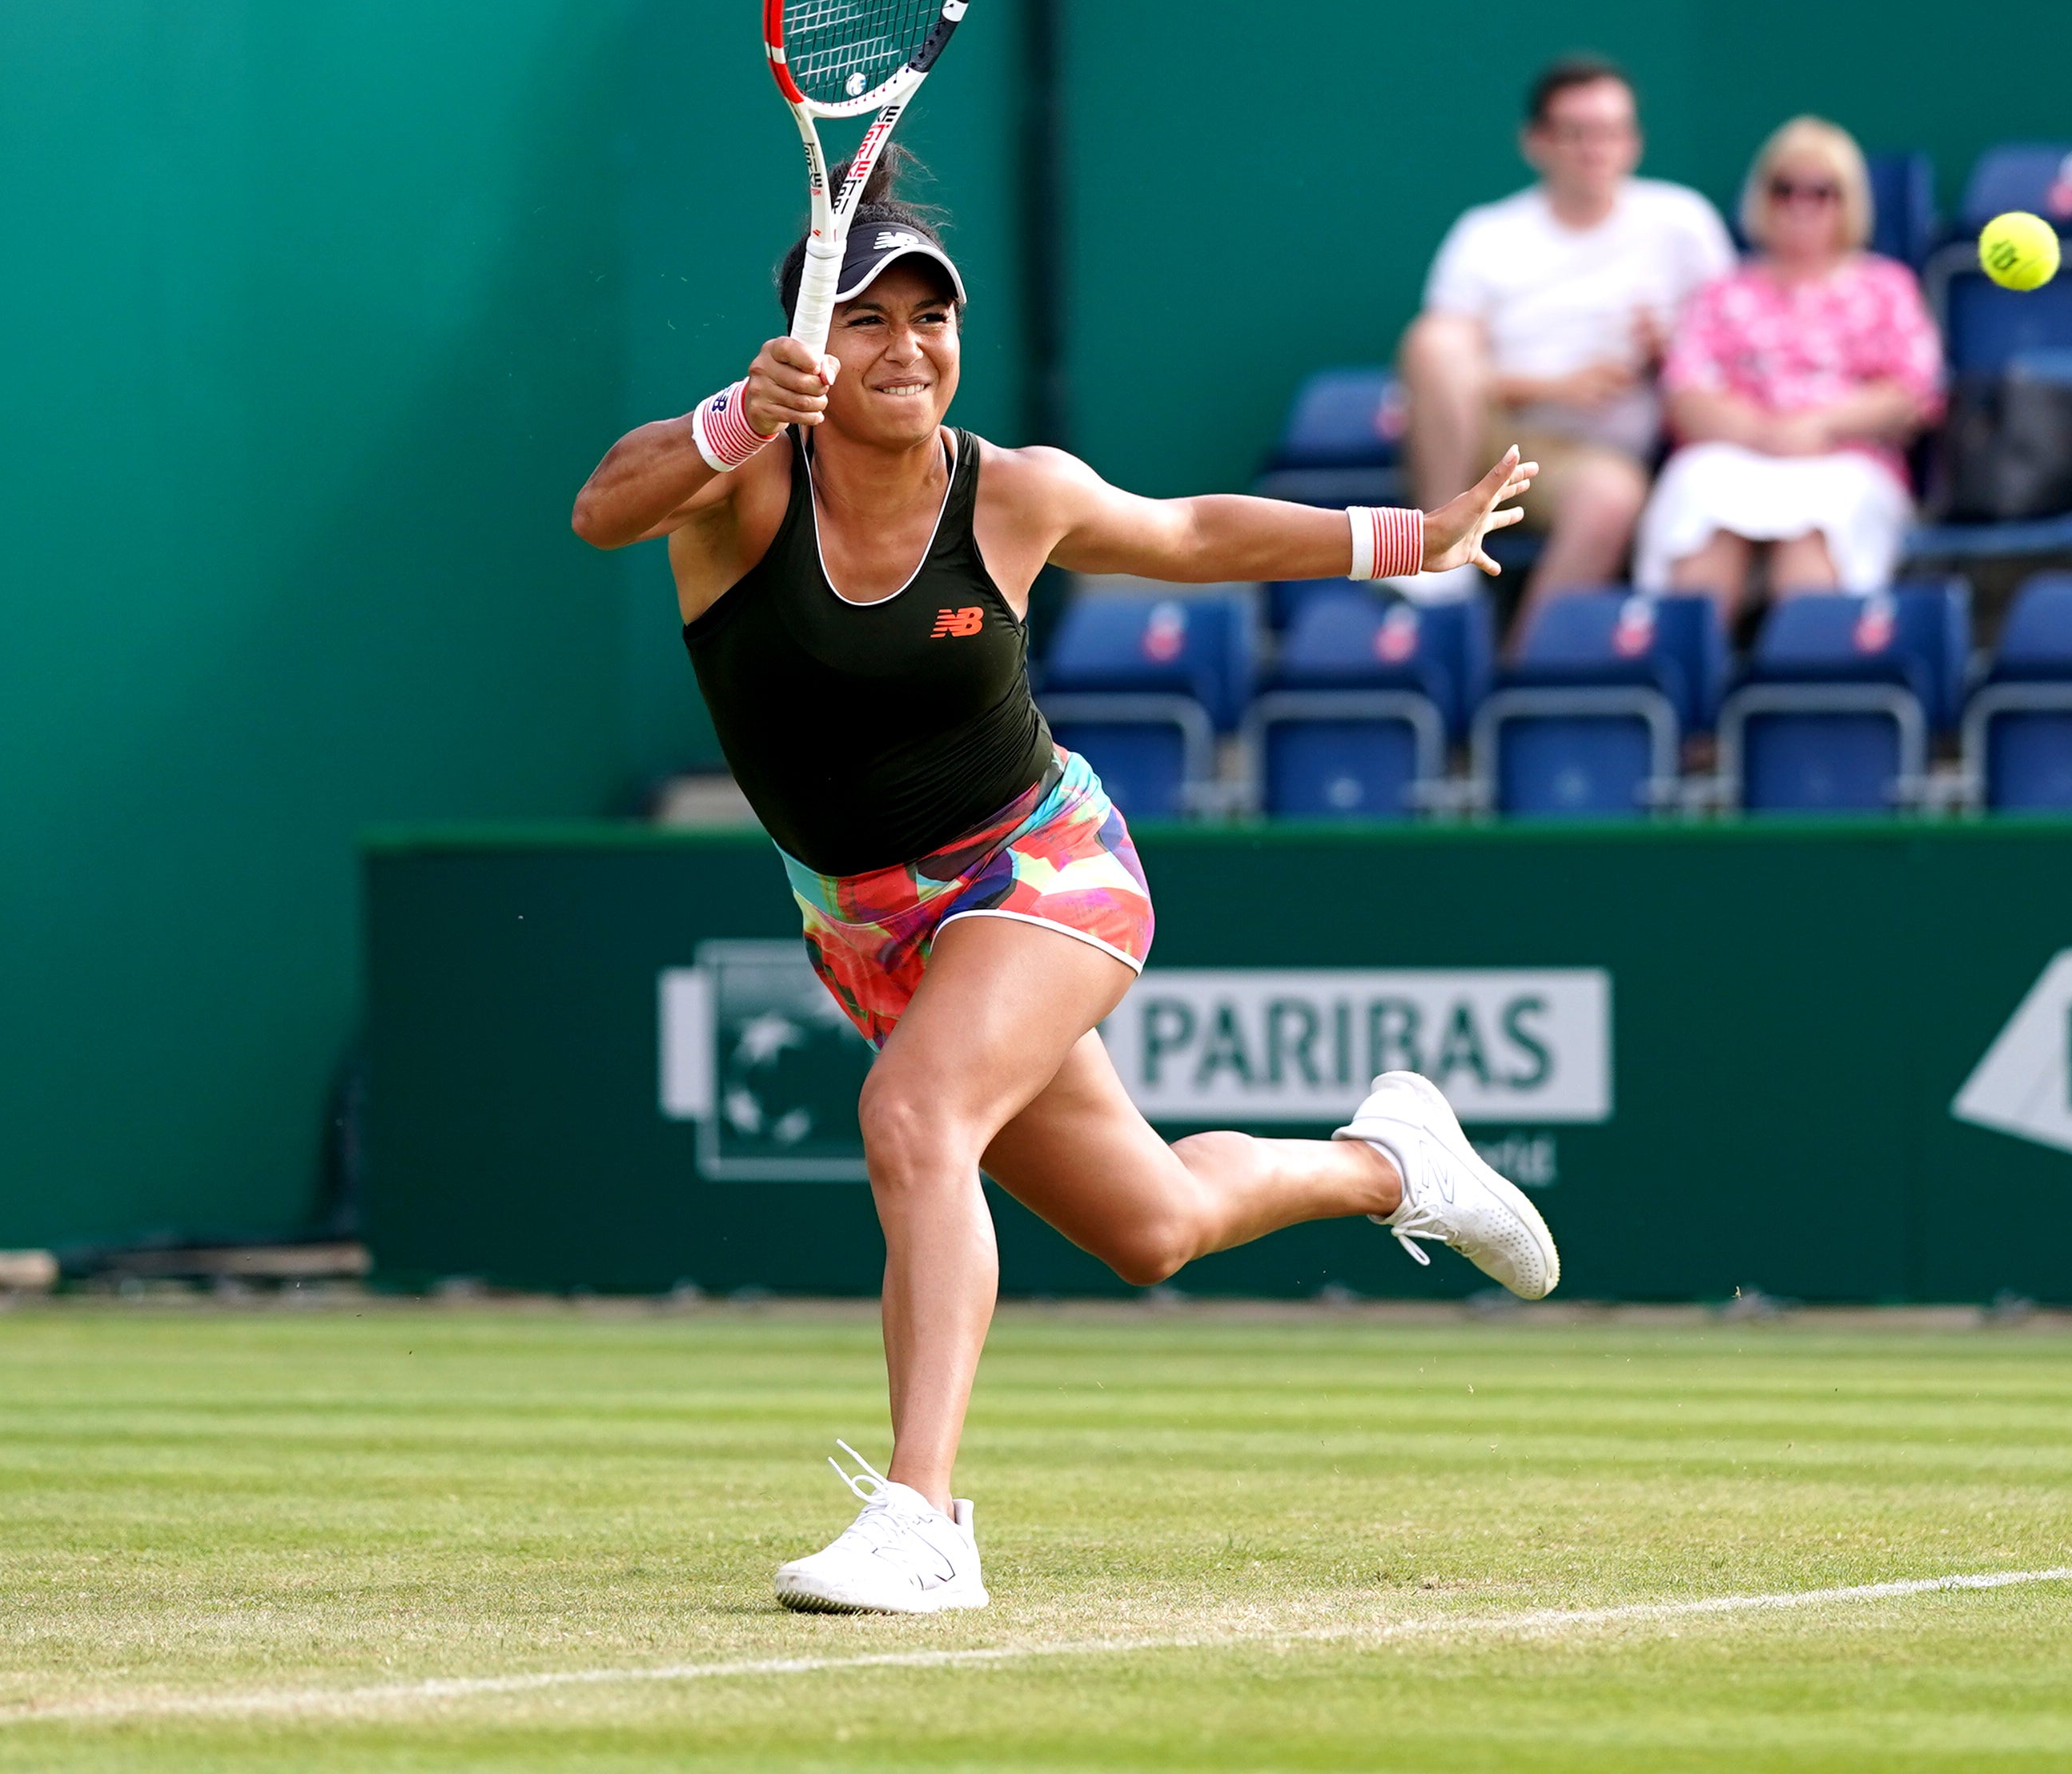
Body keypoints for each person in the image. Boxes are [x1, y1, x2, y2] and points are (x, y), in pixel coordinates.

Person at [570, 179, 1560, 1617]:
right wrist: (732, 413)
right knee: (1148, 1224)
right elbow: (603, 508)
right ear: (804, 340)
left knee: (914, 1117)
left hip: (1038, 865)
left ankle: (923, 1518)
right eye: (867, 322)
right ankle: (1393, 1164)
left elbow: (1189, 535)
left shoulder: (1010, 489)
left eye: (931, 319)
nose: (907, 348)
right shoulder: (739, 485)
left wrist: (1407, 537)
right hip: (860, 925)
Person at [1401, 56, 1737, 645]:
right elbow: (1443, 369)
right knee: (1433, 341)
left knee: (1611, 497)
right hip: (1494, 439)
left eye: (1610, 130)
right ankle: (1441, 548)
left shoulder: (1682, 223)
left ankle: (1520, 678)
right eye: (1575, 132)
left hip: (1608, 458)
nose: (1594, 148)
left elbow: (1732, 351)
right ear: (1536, 142)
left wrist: (1670, 353)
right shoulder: (1485, 234)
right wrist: (1554, 388)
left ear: (1633, 142)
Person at [1636, 116, 1942, 608]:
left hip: (1845, 462)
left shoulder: (1887, 286)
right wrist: (1764, 434)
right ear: (1762, 196)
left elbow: (1911, 392)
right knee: (1704, 539)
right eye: (1785, 190)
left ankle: (1804, 682)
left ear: (1848, 201)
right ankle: (1683, 679)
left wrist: (1818, 426)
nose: (1801, 205)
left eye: (1821, 192)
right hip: (1731, 456)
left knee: (1809, 560)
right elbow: (1686, 392)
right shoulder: (1723, 290)